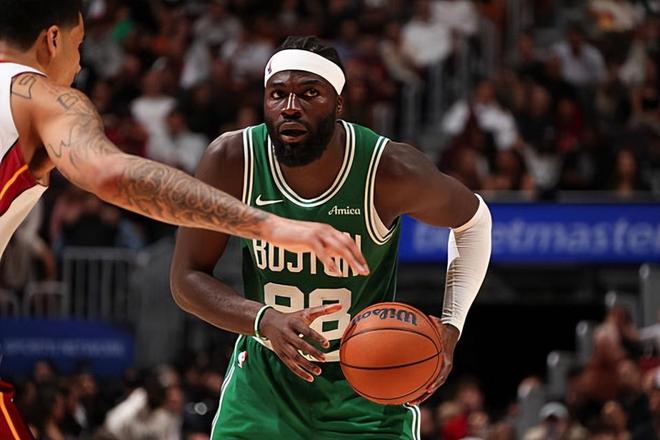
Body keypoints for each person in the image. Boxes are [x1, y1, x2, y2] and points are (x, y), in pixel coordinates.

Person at [171, 36, 492, 439]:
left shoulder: (388, 169)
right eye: (277, 94)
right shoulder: (232, 160)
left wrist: (451, 327)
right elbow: (186, 277)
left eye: (309, 93)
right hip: (265, 382)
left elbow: (474, 221)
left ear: (338, 103)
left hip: (369, 386)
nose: (290, 106)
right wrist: (263, 319)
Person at [0, 0, 367, 271]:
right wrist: (272, 226)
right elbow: (111, 174)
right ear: (52, 39)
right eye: (77, 44)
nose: (79, 63)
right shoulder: (43, 99)